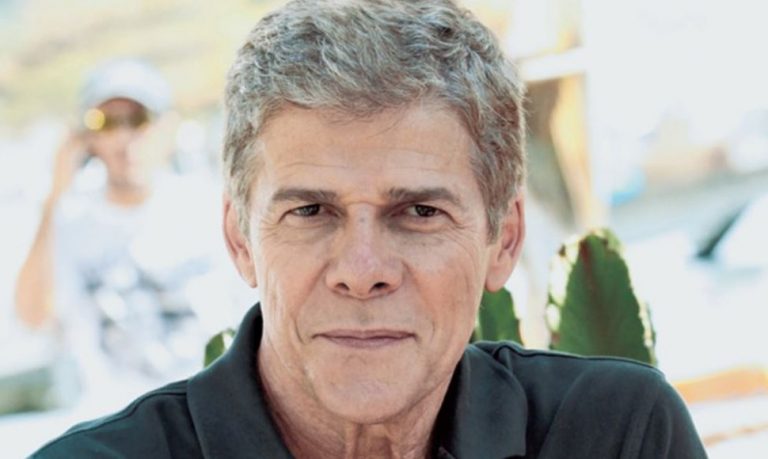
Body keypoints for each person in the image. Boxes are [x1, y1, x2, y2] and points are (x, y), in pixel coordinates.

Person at [32, 1, 707, 457]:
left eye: (419, 213)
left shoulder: (618, 435)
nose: (362, 270)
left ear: (503, 239)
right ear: (240, 239)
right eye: (310, 211)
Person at [15, 59, 231, 395]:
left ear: (166, 126)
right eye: (105, 122)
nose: (123, 137)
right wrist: (55, 195)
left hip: (206, 412)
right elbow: (32, 316)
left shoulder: (209, 208)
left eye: (138, 119)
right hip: (113, 421)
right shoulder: (70, 223)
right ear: (85, 138)